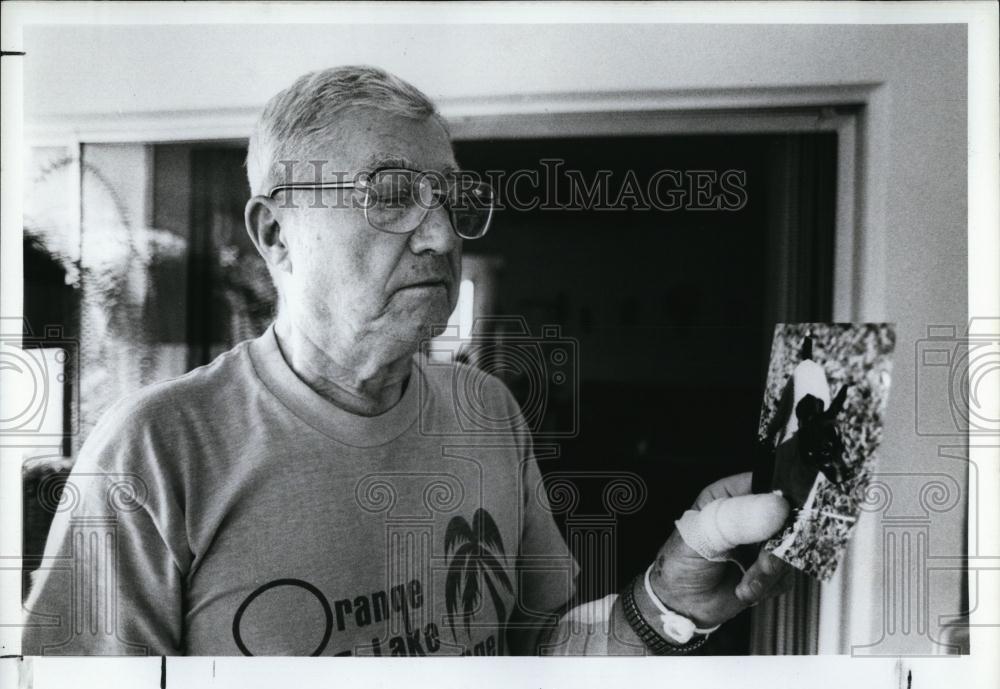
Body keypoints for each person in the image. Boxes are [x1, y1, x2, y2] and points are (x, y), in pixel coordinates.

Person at [21, 66, 791, 657]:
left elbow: (543, 661)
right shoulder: (153, 454)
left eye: (451, 199)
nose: (441, 236)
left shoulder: (487, 411)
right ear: (276, 232)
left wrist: (671, 593)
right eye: (391, 194)